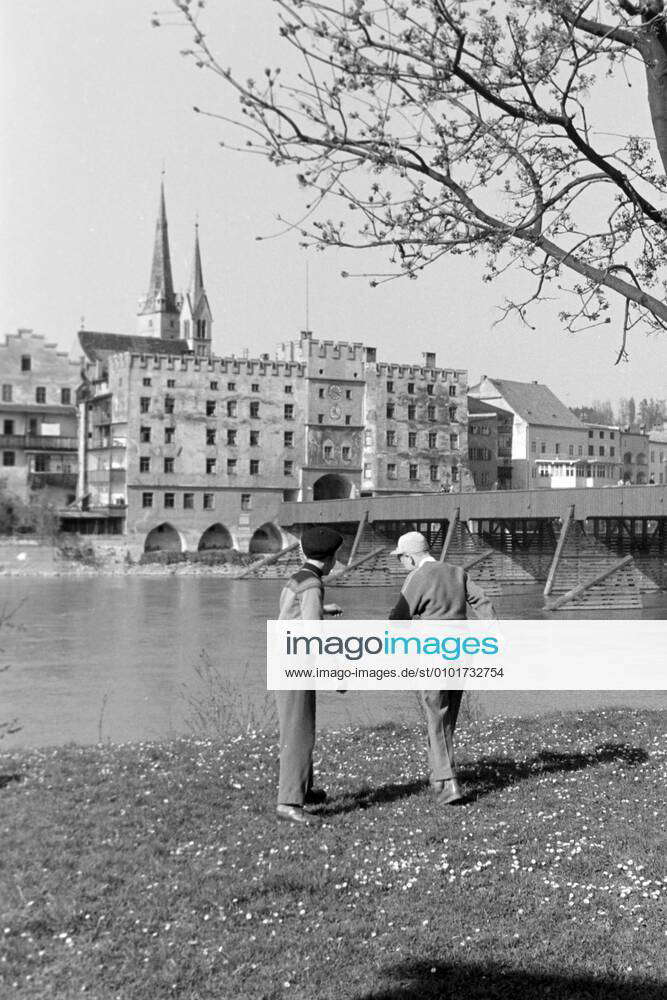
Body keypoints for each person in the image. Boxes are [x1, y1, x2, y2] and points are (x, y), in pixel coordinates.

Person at [388, 531, 496, 805]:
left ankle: (448, 783)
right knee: (448, 715)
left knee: (436, 714)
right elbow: (482, 601)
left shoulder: (417, 577)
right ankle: (439, 775)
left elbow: (398, 618)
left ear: (410, 557)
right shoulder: (457, 571)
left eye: (401, 559)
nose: (401, 564)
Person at [275, 526, 343, 826]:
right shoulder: (313, 585)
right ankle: (289, 802)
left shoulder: (298, 578)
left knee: (293, 727)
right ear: (329, 560)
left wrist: (321, 609)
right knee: (299, 733)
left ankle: (305, 788)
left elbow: (292, 613)